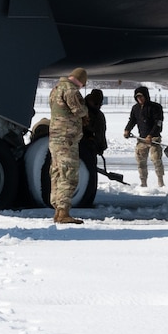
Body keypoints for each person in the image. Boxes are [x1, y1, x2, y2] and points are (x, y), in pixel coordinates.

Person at [46, 68, 90, 224]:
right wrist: (86, 112)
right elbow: (79, 110)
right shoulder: (71, 90)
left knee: (57, 173)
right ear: (81, 81)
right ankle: (64, 212)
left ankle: (58, 211)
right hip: (67, 140)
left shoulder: (55, 89)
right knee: (69, 175)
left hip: (55, 139)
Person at [126, 85, 165, 188]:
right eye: (137, 97)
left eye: (141, 96)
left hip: (154, 139)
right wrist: (127, 129)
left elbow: (158, 123)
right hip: (142, 139)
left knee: (156, 160)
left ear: (146, 96)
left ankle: (160, 181)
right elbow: (132, 120)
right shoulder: (135, 108)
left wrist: (151, 135)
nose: (139, 99)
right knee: (140, 161)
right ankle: (143, 182)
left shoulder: (156, 107)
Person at [81, 89, 112, 182]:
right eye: (95, 103)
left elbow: (101, 132)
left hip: (92, 147)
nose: (98, 106)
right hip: (79, 145)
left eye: (99, 104)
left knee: (90, 171)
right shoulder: (81, 111)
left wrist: (101, 146)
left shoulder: (99, 115)